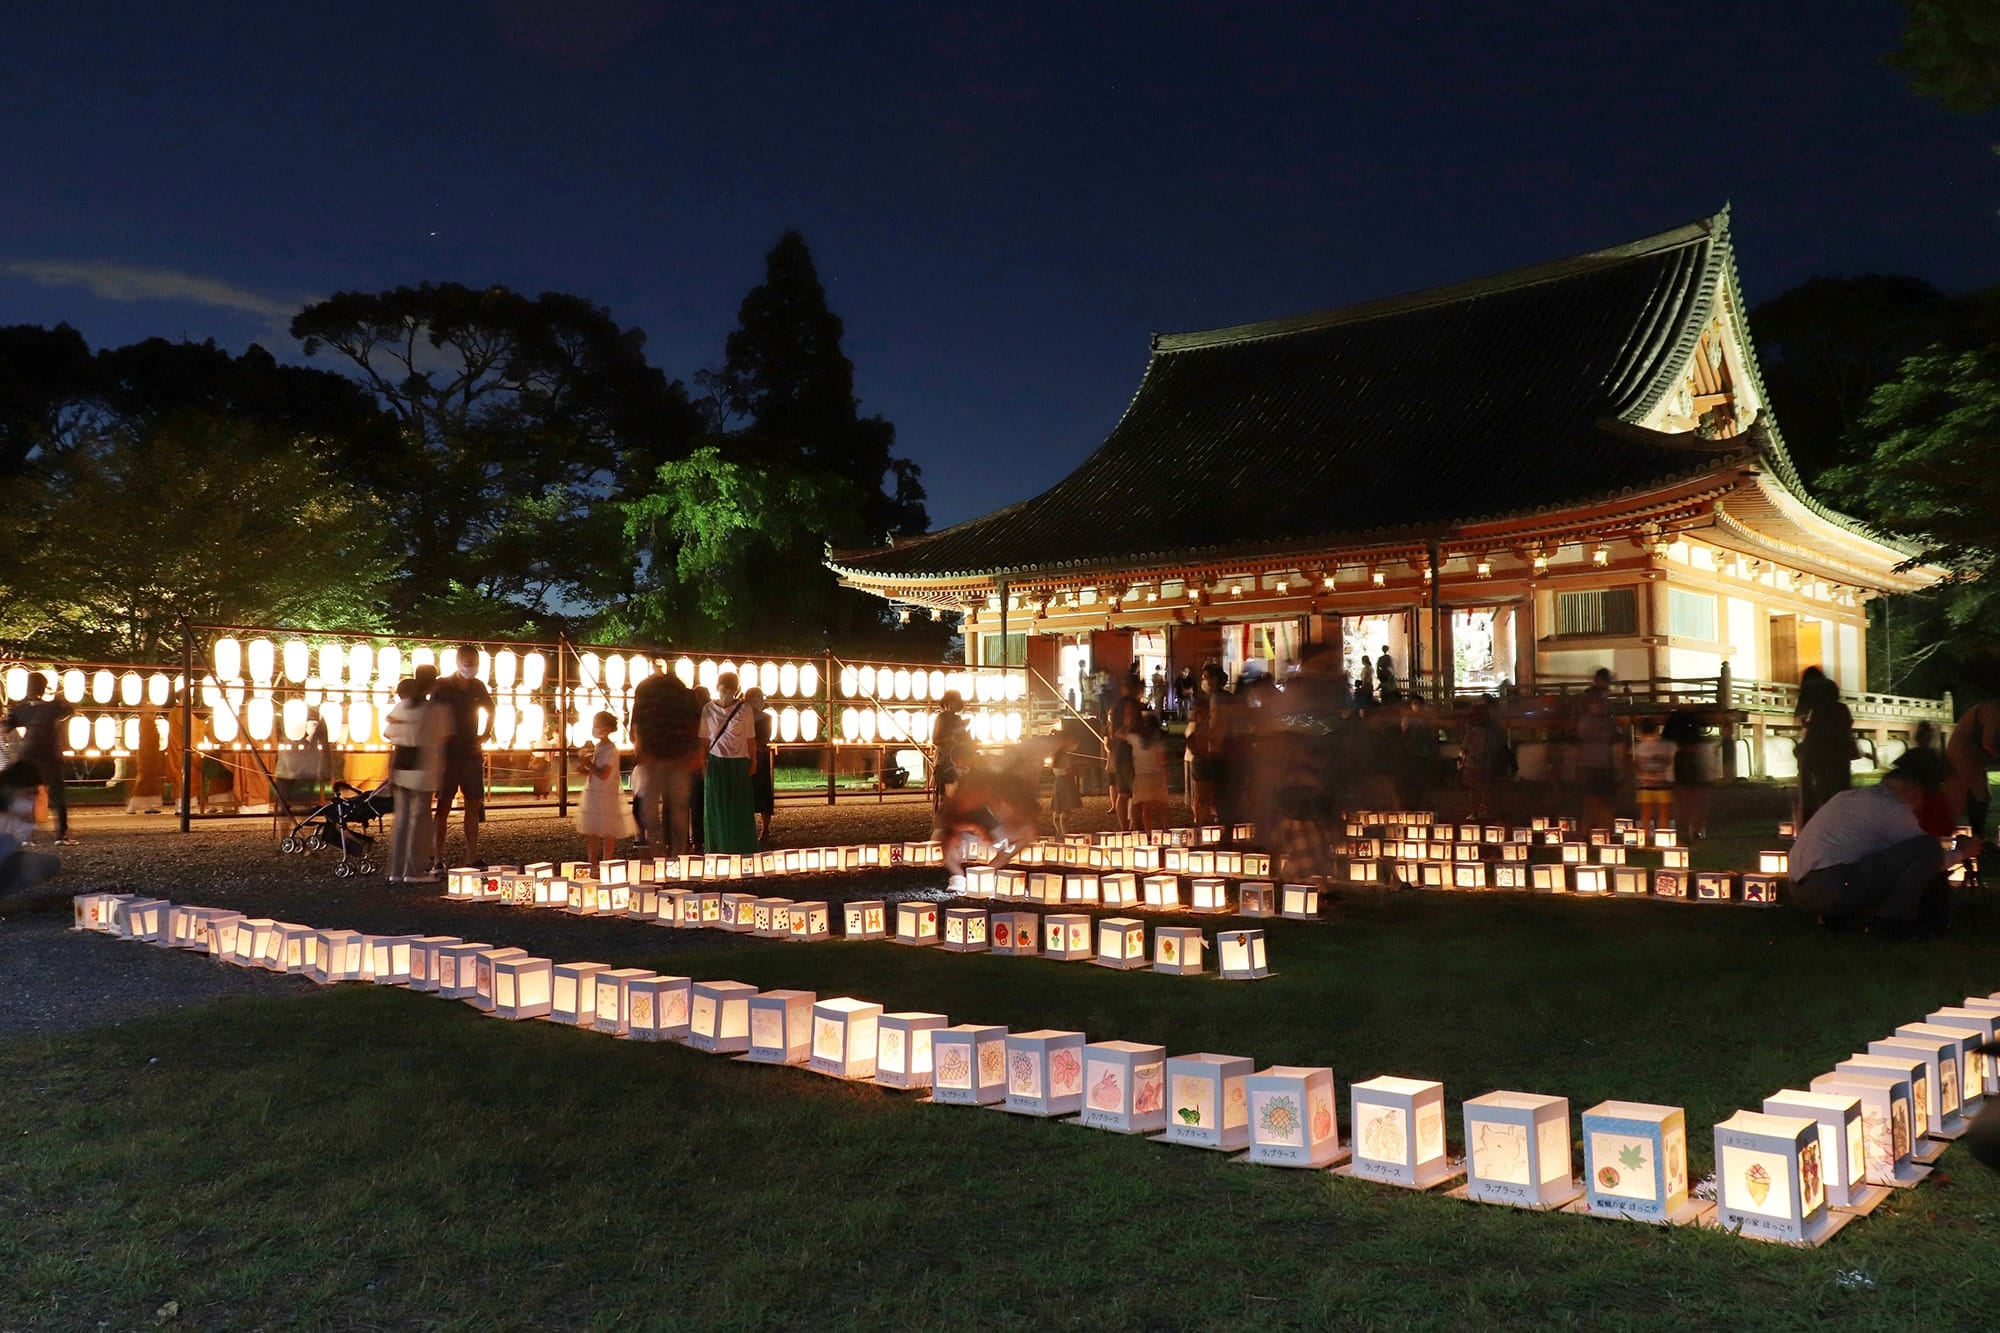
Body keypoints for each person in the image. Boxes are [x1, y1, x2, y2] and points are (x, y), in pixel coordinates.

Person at [1788, 749, 1961, 938]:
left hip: (1800, 888)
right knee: (1926, 847)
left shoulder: (1847, 797)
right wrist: (1962, 852)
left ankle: (1838, 916)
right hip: (1832, 887)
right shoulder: (1892, 809)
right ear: (1916, 789)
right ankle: (1891, 921)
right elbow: (1930, 858)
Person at [430, 645, 493, 870]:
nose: (470, 666)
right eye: (466, 661)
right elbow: (431, 714)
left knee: (473, 804)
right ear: (457, 662)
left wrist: (486, 733)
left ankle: (471, 854)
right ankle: (437, 858)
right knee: (444, 805)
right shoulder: (442, 685)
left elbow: (490, 709)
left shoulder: (478, 686)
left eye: (473, 662)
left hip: (471, 752)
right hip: (447, 753)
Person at [630, 659, 702, 854]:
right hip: (673, 756)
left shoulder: (647, 690)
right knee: (674, 808)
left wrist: (640, 746)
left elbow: (636, 722)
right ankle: (676, 852)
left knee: (654, 808)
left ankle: (663, 851)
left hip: (661, 756)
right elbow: (694, 724)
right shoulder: (680, 692)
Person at [383, 673, 445, 884]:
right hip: (421, 766)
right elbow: (442, 738)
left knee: (401, 821)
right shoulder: (431, 710)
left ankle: (396, 871)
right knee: (420, 820)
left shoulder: (401, 707)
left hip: (400, 764)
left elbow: (389, 734)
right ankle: (414, 871)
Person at [4, 673, 76, 845]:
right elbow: (70, 710)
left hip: (27, 754)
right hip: (49, 754)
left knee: (28, 796)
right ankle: (61, 835)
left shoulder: (22, 709)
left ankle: (26, 837)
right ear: (44, 688)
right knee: (57, 795)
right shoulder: (53, 707)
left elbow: (7, 726)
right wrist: (54, 696)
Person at [700, 672, 758, 854]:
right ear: (717, 688)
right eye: (723, 689)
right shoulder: (708, 709)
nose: (725, 693)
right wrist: (703, 762)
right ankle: (717, 846)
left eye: (729, 690)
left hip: (739, 760)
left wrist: (753, 760)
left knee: (739, 805)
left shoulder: (745, 709)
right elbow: (703, 739)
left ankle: (741, 847)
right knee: (717, 805)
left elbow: (750, 738)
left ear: (735, 690)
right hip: (716, 760)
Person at [1795, 667, 1856, 826]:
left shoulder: (1814, 698)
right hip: (1840, 751)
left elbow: (1802, 715)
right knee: (1840, 787)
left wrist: (1806, 724)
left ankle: (1816, 821)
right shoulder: (1839, 708)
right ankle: (1841, 820)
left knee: (1821, 788)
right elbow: (1846, 726)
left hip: (1820, 751)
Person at [575, 710, 635, 865]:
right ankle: (591, 859)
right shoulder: (599, 747)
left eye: (597, 725)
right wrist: (584, 766)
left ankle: (607, 860)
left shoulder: (610, 749)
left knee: (608, 828)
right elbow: (595, 771)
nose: (595, 729)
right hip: (594, 790)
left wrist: (588, 764)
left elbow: (604, 774)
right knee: (592, 829)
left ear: (606, 728)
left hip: (607, 792)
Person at [0, 760, 61, 902]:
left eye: (35, 792)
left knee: (48, 863)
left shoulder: (23, 805)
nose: (33, 797)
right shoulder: (7, 800)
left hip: (6, 855)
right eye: (29, 792)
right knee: (6, 841)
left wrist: (23, 817)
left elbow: (21, 837)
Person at [1946, 701, 2000, 840]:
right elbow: (1988, 743)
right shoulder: (1994, 711)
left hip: (1968, 753)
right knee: (1979, 793)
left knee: (1972, 794)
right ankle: (1977, 836)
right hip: (1963, 752)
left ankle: (1974, 835)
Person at [1662, 707, 1712, 839]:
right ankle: (1695, 830)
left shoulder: (1676, 745)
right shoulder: (1695, 743)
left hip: (1684, 768)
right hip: (1689, 769)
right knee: (1694, 800)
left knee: (1683, 800)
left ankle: (1688, 829)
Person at [1127, 710, 1170, 835]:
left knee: (1146, 807)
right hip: (1157, 774)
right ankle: (1165, 829)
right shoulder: (1157, 743)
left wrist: (1131, 724)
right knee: (1162, 805)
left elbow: (1119, 733)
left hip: (1141, 775)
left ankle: (1148, 832)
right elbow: (1163, 761)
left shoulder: (1135, 739)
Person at [1632, 719, 1676, 840]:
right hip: (1663, 783)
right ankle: (1664, 838)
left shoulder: (1639, 747)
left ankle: (1645, 837)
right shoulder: (1665, 745)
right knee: (1664, 813)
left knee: (1645, 813)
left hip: (1644, 784)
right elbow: (1669, 761)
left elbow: (1637, 764)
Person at [745, 686, 775, 845]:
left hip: (760, 756)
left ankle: (765, 828)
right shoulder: (742, 717)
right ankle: (748, 828)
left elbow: (765, 737)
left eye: (758, 698)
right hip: (745, 757)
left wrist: (752, 745)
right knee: (747, 792)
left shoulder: (766, 718)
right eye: (752, 698)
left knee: (763, 791)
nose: (755, 701)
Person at [932, 690, 970, 809]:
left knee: (957, 793)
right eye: (952, 702)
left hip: (957, 761)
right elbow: (935, 740)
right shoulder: (941, 718)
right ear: (947, 703)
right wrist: (951, 738)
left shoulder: (958, 719)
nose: (954, 705)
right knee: (944, 794)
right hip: (944, 760)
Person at [1050, 745, 1082, 835]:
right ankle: (1065, 833)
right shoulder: (1065, 757)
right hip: (1066, 781)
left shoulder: (1054, 757)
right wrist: (1076, 770)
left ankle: (1059, 832)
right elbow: (1070, 770)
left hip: (1058, 781)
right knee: (1065, 808)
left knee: (1057, 808)